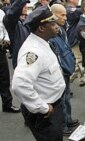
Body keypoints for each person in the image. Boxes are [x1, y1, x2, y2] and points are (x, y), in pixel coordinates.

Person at [12, 5, 65, 141]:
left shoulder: (43, 42)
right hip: (45, 113)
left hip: (54, 105)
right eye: (52, 23)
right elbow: (20, 85)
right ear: (41, 28)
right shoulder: (33, 51)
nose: (56, 25)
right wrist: (43, 108)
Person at [50, 4, 79, 136]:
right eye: (62, 15)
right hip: (59, 72)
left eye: (65, 14)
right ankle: (62, 126)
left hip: (66, 70)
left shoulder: (61, 29)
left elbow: (66, 48)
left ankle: (67, 119)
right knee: (60, 101)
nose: (65, 18)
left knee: (66, 98)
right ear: (53, 15)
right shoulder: (51, 34)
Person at [0, 7, 20, 113]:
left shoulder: (1, 12)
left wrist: (6, 39)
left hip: (1, 49)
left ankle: (7, 104)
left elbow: (4, 28)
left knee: (4, 78)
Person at [3, 0, 30, 69]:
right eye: (23, 6)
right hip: (21, 60)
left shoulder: (25, 22)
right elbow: (11, 14)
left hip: (29, 59)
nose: (26, 7)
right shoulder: (12, 23)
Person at [66, 0, 85, 87]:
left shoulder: (72, 9)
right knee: (79, 60)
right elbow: (79, 12)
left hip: (76, 38)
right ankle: (68, 78)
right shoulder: (69, 10)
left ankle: (82, 78)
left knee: (80, 59)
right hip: (73, 38)